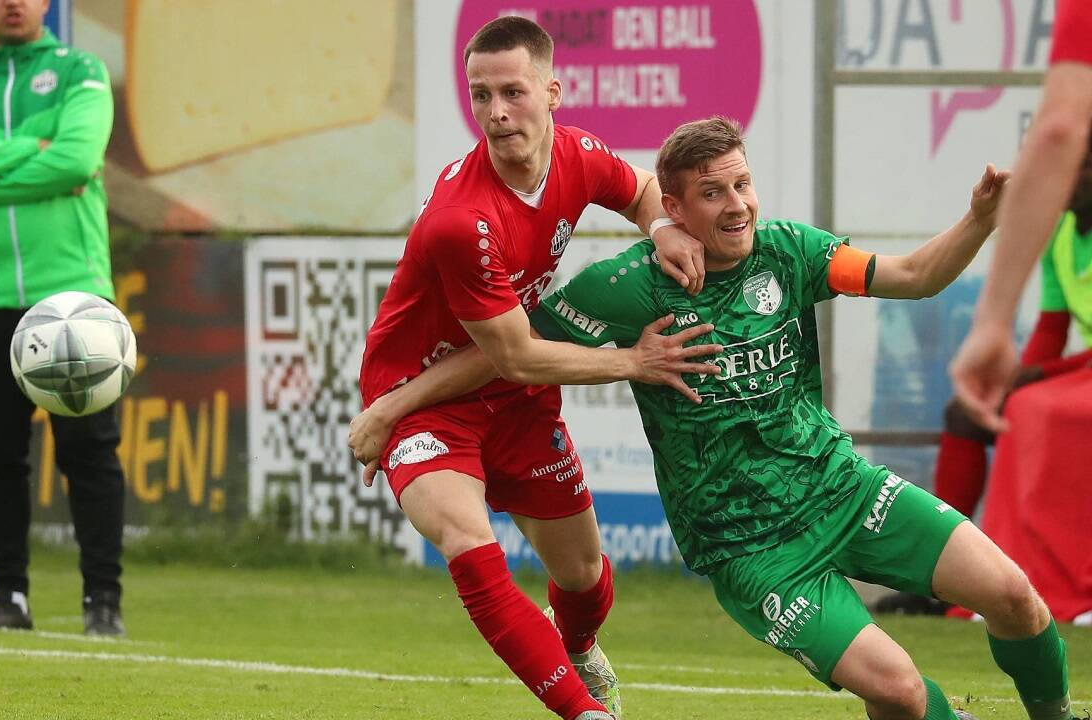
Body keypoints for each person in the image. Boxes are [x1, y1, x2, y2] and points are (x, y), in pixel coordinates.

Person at [359, 116, 1081, 720]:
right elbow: (505, 352)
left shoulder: (791, 251)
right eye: (713, 193)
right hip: (750, 548)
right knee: (896, 691)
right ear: (674, 209)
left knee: (1016, 598)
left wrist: (981, 219)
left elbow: (916, 277)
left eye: (742, 184)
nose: (737, 205)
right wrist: (396, 404)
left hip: (843, 492)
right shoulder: (626, 288)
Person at [354, 16, 720, 720]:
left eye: (513, 93)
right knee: (467, 539)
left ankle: (578, 645)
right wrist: (632, 362)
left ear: (552, 91)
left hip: (513, 399)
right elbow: (516, 354)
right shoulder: (463, 218)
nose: (496, 113)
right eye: (480, 95)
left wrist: (663, 226)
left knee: (584, 577)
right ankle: (583, 711)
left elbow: (638, 185)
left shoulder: (576, 153)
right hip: (421, 399)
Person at [0, 0, 126, 636]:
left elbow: (77, 160)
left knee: (89, 453)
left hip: (73, 298)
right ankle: (8, 598)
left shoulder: (80, 71)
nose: (14, 2)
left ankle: (103, 604)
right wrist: (33, 147)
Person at [875, 157, 1092, 618]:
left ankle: (1042, 579)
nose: (1064, 177)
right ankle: (940, 582)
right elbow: (1052, 329)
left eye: (1080, 166)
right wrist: (1010, 384)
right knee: (969, 413)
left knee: (1032, 408)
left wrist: (1035, 381)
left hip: (1076, 385)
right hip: (1077, 381)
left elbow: (1045, 368)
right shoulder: (1060, 235)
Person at [951, 0, 1092, 432]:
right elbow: (1052, 327)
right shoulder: (1060, 236)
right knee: (984, 414)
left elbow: (1059, 130)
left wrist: (993, 321)